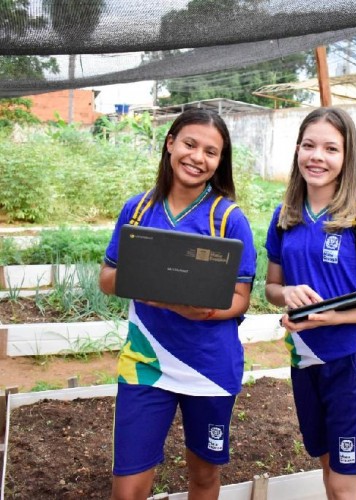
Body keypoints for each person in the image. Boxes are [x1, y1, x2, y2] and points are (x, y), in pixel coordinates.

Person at [99, 108, 256, 500]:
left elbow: (240, 299)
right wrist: (153, 288)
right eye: (189, 144)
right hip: (145, 364)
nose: (197, 157)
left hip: (209, 368)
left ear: (220, 161)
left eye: (211, 151)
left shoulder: (228, 219)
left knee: (203, 478)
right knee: (128, 488)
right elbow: (106, 278)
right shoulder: (138, 210)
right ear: (170, 144)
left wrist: (197, 309)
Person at [264, 107, 356, 499]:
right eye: (309, 145)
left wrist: (332, 318)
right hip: (306, 359)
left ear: (346, 157)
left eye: (331, 148)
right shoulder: (285, 217)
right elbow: (271, 288)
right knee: (329, 471)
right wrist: (287, 294)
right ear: (297, 151)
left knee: (346, 485)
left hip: (353, 362)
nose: (317, 156)